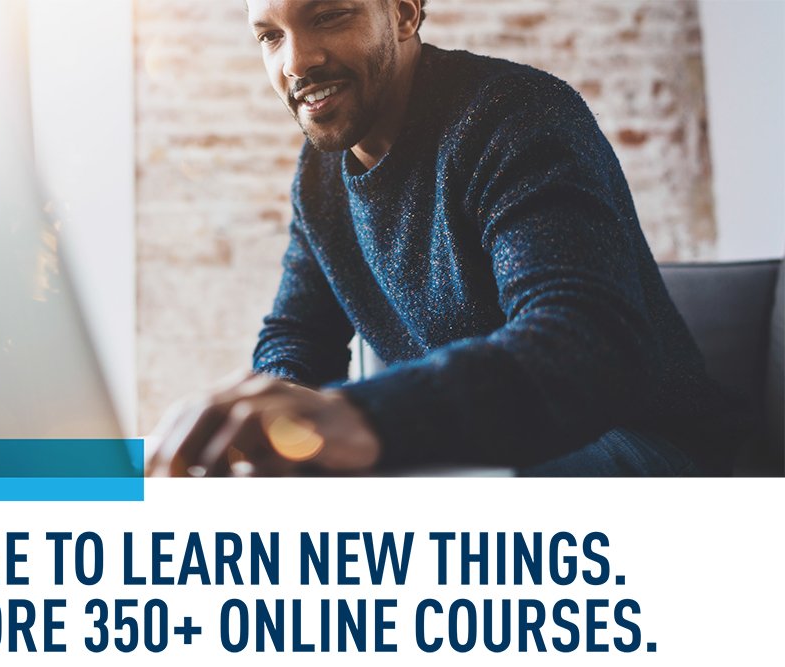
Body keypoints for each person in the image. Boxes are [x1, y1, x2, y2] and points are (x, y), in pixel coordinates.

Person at [148, 0, 733, 477]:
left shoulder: (517, 115)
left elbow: (584, 344)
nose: (297, 62)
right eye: (270, 36)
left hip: (642, 448)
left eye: (328, 16)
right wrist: (273, 425)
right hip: (478, 450)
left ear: (403, 14)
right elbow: (297, 334)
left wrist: (364, 417)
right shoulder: (320, 174)